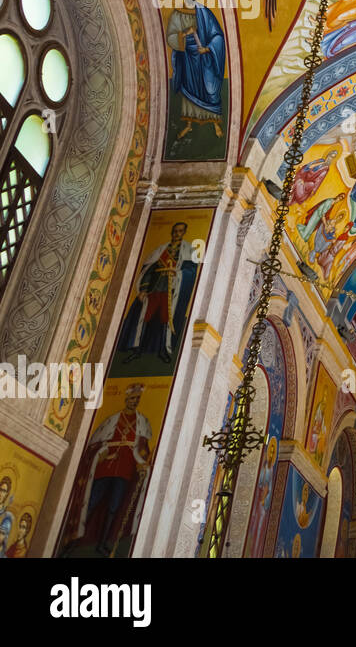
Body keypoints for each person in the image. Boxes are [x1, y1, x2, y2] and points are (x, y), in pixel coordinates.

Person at [69, 384, 153, 556]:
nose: (134, 401)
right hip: (105, 469)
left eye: (137, 399)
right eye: (132, 398)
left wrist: (142, 463)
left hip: (124, 471)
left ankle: (103, 543)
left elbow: (142, 449)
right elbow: (96, 442)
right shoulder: (113, 419)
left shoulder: (142, 422)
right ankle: (76, 540)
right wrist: (101, 451)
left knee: (114, 508)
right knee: (91, 503)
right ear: (126, 399)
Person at [119, 223, 197, 364]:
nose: (176, 234)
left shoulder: (187, 251)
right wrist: (143, 289)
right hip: (155, 289)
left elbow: (191, 272)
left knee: (165, 319)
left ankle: (163, 350)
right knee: (145, 318)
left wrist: (178, 273)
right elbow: (149, 269)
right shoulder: (162, 249)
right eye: (175, 231)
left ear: (184, 233)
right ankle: (137, 350)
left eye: (179, 231)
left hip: (170, 290)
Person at [166, 0, 225, 140]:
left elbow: (218, 36)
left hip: (204, 58)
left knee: (209, 89)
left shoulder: (204, 12)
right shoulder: (177, 14)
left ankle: (215, 123)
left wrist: (207, 49)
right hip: (187, 57)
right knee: (190, 89)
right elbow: (171, 36)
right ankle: (189, 125)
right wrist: (184, 35)